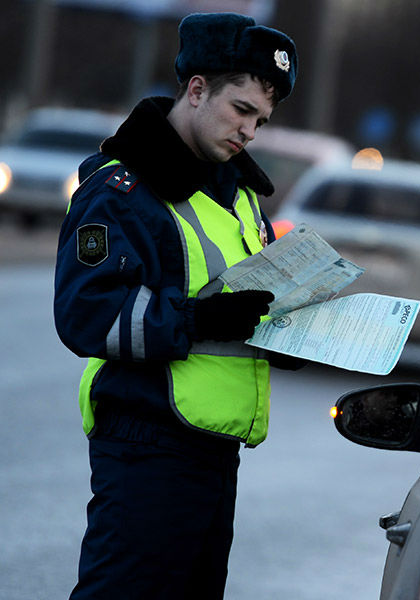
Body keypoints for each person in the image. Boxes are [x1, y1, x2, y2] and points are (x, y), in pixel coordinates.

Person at [53, 12, 304, 599]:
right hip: (147, 442)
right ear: (196, 90)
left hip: (212, 453)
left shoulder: (238, 193)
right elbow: (86, 314)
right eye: (241, 110)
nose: (250, 130)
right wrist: (195, 321)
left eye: (261, 120)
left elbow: (239, 301)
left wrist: (284, 335)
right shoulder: (122, 191)